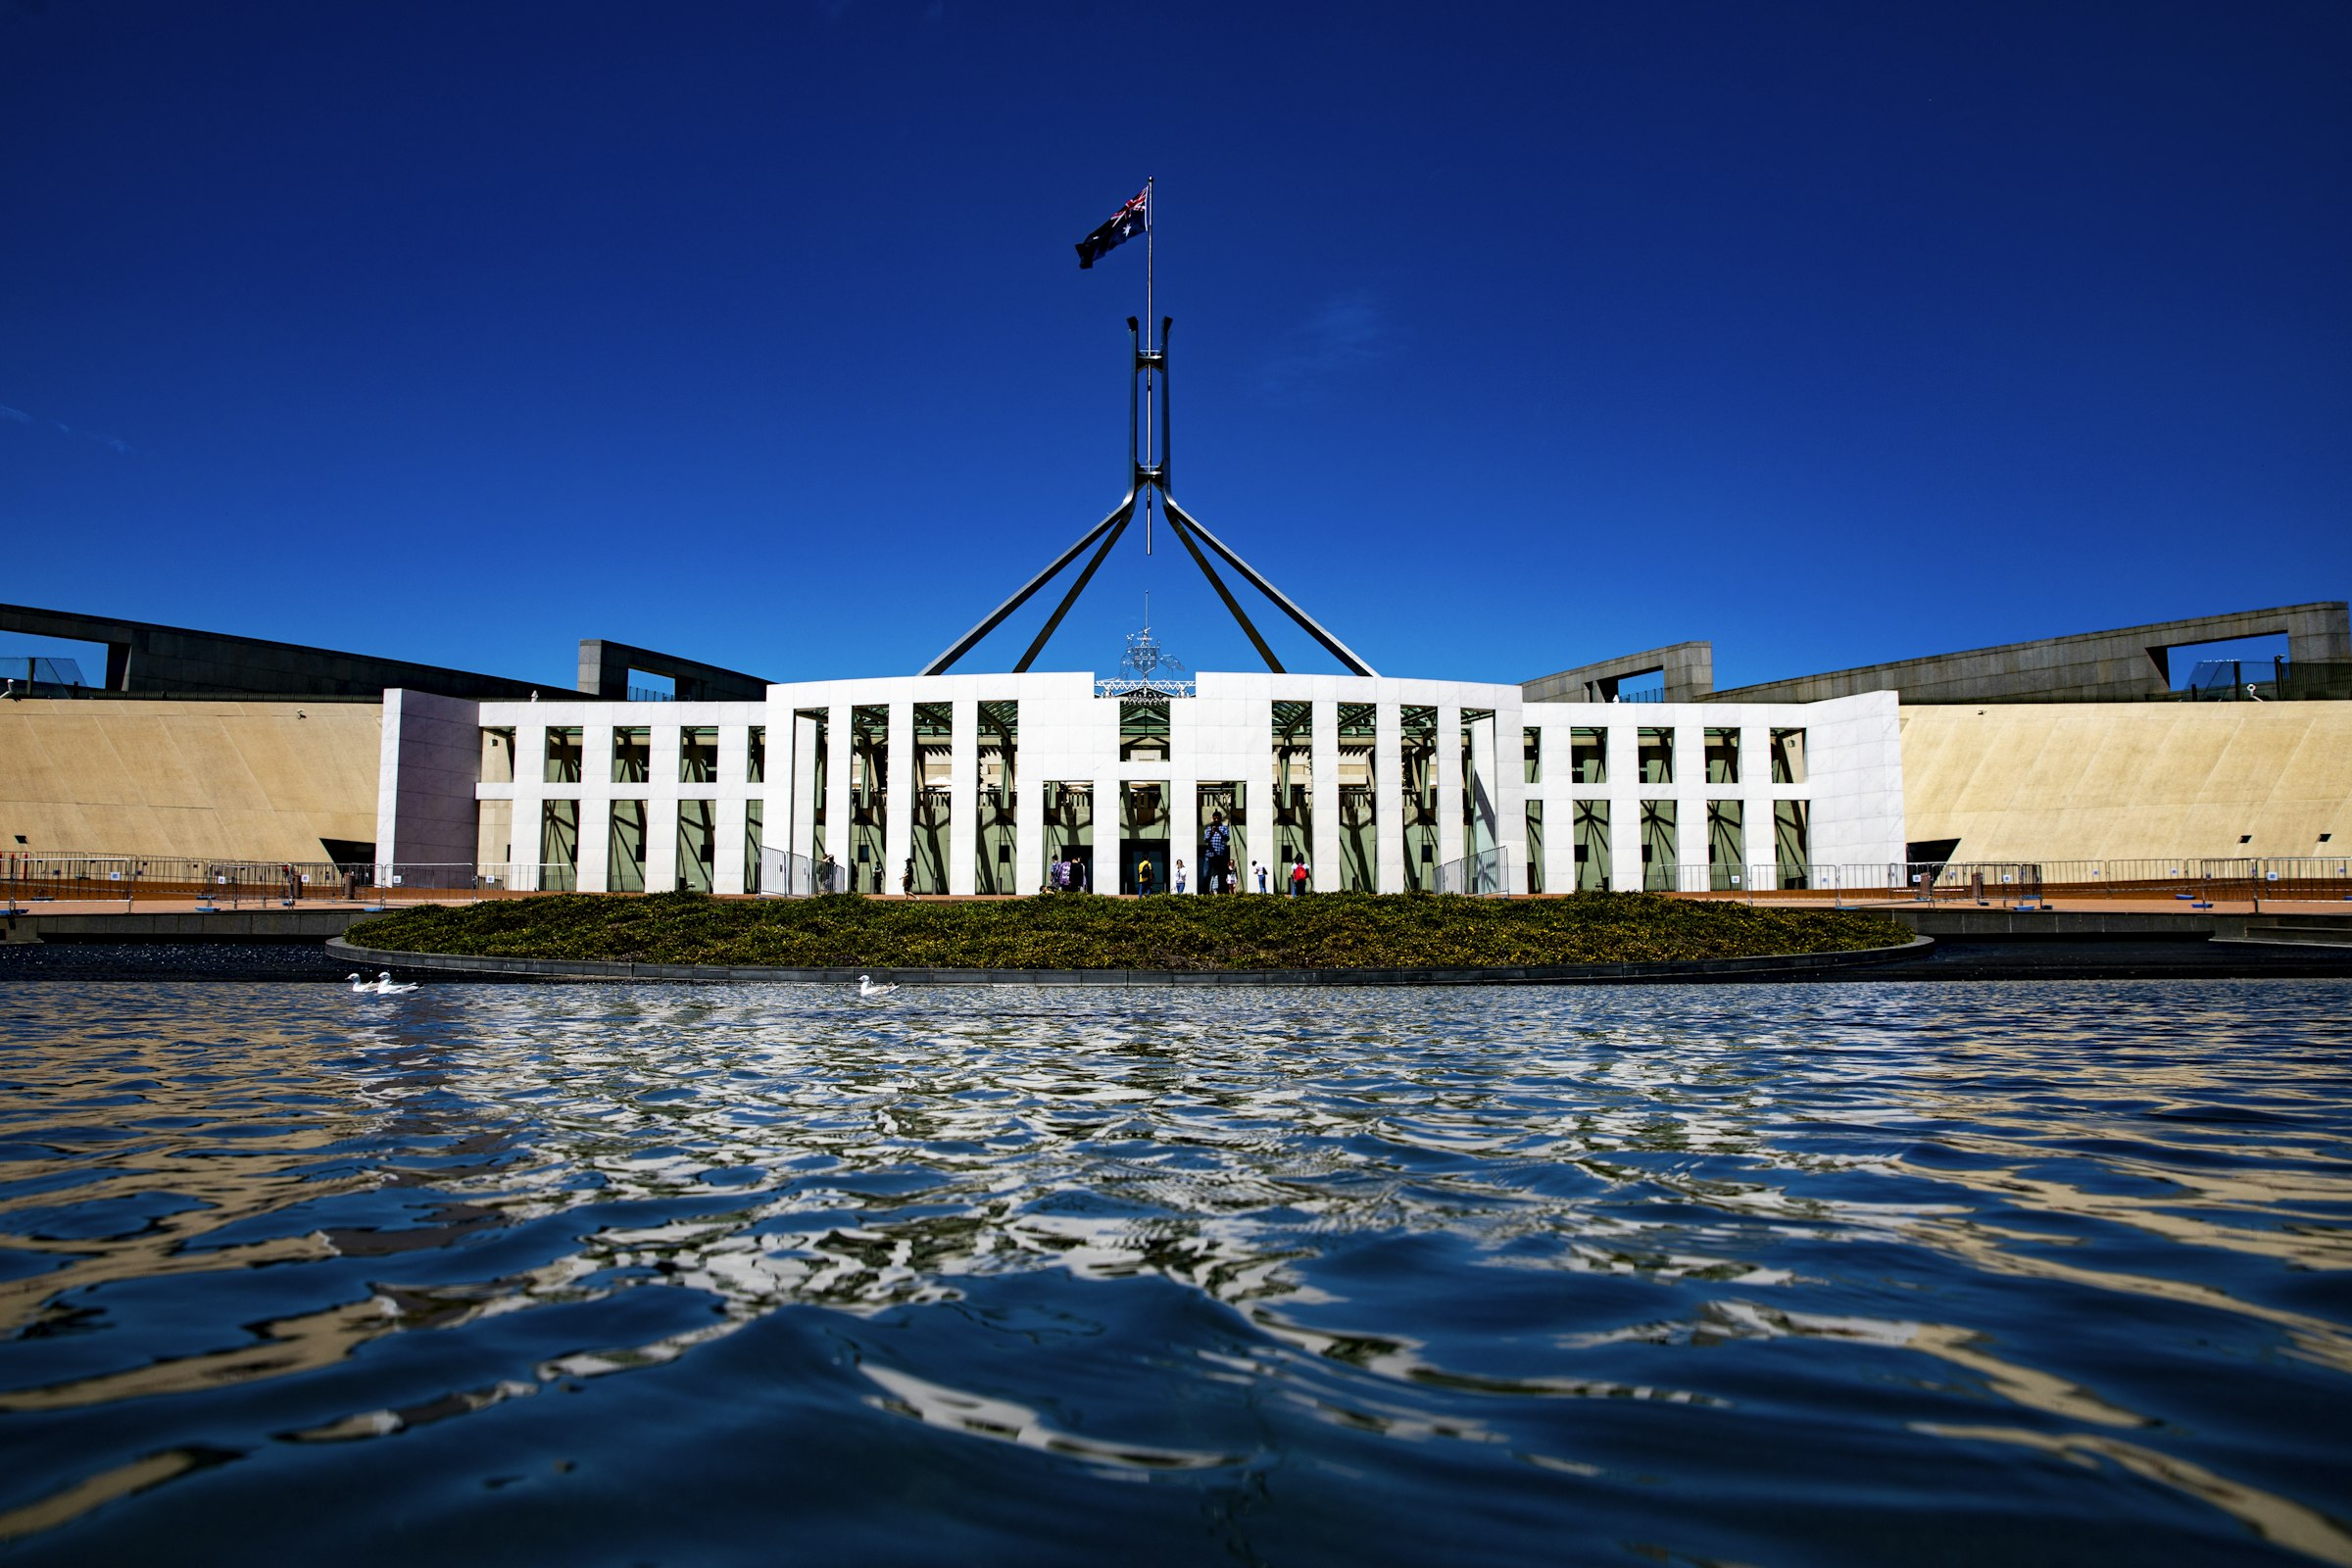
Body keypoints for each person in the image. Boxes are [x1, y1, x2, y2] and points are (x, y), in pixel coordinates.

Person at [1202, 811, 1232, 895]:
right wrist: (1211, 833)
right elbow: (1206, 840)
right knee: (1206, 874)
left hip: (1219, 855)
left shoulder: (1224, 828)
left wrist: (1219, 831)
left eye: (1218, 817)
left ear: (1220, 818)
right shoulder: (1209, 828)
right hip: (1210, 854)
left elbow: (1226, 838)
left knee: (1221, 874)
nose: (1216, 819)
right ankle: (1205, 892)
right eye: (1215, 817)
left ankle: (1220, 891)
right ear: (1213, 818)